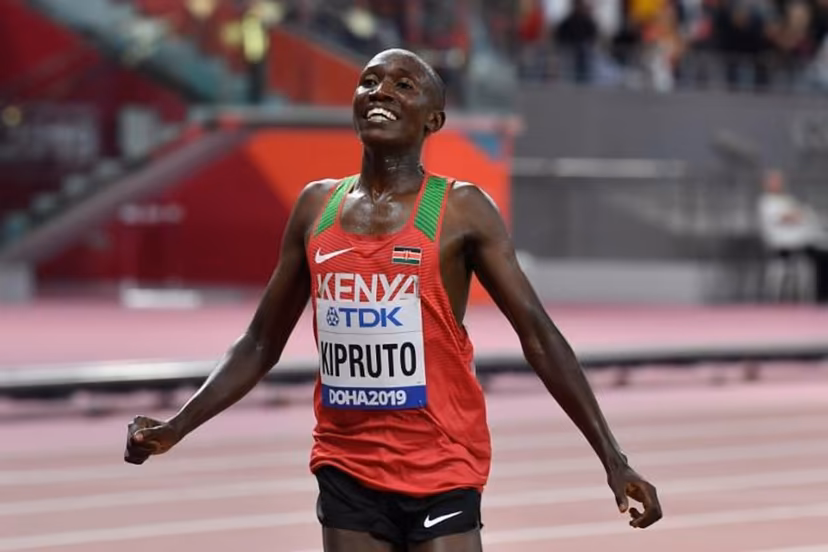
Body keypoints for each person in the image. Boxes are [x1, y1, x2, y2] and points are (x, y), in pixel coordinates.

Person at [124, 48, 662, 551]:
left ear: (434, 119)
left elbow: (539, 337)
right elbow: (261, 342)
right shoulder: (317, 207)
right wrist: (178, 425)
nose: (380, 92)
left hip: (443, 462)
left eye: (404, 85)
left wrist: (613, 459)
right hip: (346, 463)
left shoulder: (461, 210)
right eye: (369, 82)